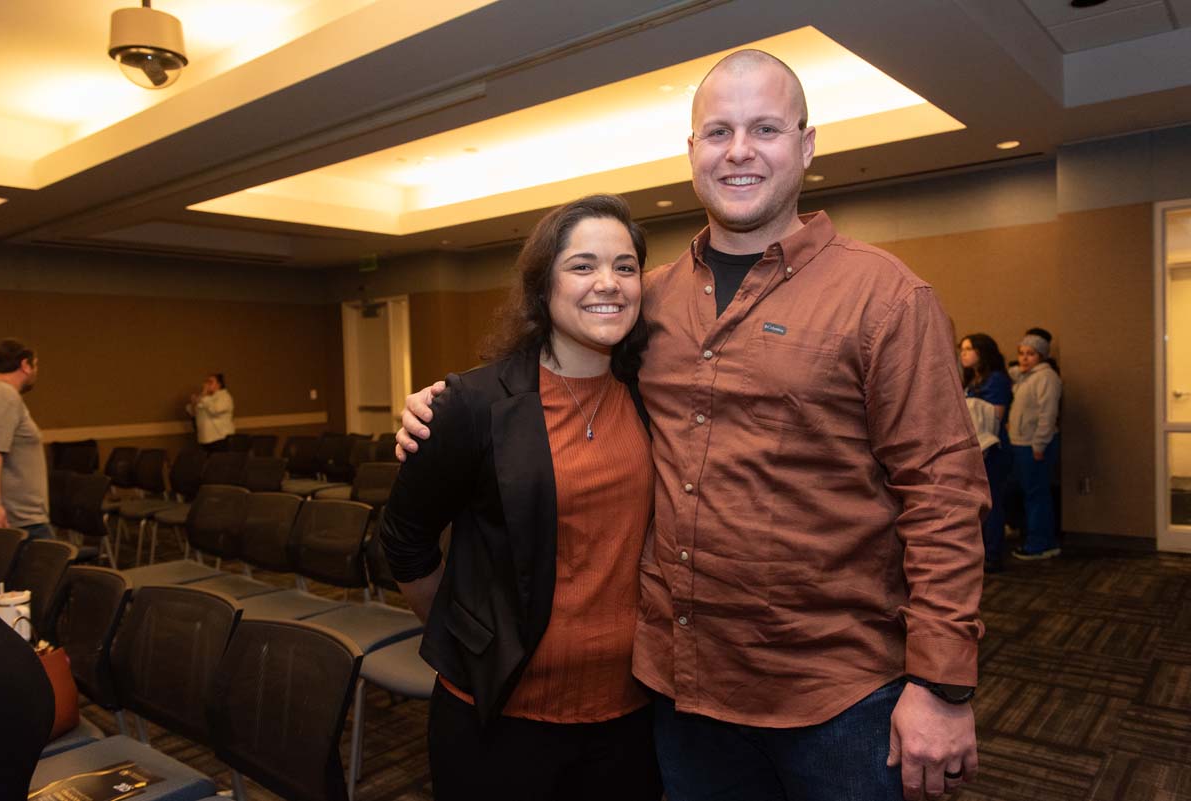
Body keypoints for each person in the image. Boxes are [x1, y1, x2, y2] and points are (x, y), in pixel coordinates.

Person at [398, 50, 987, 801]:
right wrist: (444, 402)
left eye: (765, 128)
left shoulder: (885, 297)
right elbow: (552, 363)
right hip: (681, 696)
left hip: (837, 700)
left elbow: (943, 493)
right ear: (691, 153)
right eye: (718, 132)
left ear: (806, 146)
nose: (739, 150)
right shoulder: (650, 302)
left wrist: (941, 683)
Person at [380, 194, 662, 801]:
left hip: (632, 713)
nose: (607, 283)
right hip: (498, 716)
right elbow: (403, 540)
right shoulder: (471, 406)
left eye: (625, 266)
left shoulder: (655, 393)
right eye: (582, 265)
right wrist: (465, 634)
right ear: (543, 286)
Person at [959, 334, 1012, 572]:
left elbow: (995, 416)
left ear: (983, 352)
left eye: (969, 349)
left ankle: (993, 553)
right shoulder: (971, 381)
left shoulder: (997, 380)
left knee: (991, 502)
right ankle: (979, 551)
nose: (963, 353)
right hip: (974, 448)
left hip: (991, 448)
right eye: (962, 348)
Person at [0, 339, 52, 539]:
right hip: (20, 521)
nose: (36, 371)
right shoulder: (3, 393)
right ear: (25, 365)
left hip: (17, 519)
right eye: (36, 365)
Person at [1008, 334, 1062, 560]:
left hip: (1035, 445)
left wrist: (1039, 444)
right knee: (1030, 494)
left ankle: (1041, 543)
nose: (1024, 358)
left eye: (1030, 354)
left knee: (1036, 495)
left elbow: (1047, 414)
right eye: (1021, 353)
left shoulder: (1047, 378)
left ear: (1041, 356)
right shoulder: (1024, 377)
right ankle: (1037, 539)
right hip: (1021, 443)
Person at [186, 373, 234, 452]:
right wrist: (195, 402)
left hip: (220, 438)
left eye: (210, 382)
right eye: (206, 382)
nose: (207, 384)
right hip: (205, 439)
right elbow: (193, 413)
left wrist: (203, 397)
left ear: (219, 384)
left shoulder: (224, 397)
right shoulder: (205, 398)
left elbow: (215, 410)